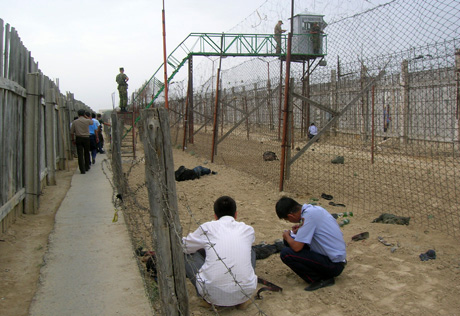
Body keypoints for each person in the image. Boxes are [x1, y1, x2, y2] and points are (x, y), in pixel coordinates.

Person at [182, 196, 257, 308]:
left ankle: (207, 300)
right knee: (251, 251)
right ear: (236, 215)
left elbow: (185, 246)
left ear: (215, 216)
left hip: (211, 293)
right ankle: (242, 301)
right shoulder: (248, 230)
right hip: (245, 292)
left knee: (187, 255)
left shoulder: (207, 227)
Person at [275, 196, 346, 291]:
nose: (289, 222)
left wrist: (286, 236)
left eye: (287, 220)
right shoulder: (313, 210)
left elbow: (297, 248)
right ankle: (320, 272)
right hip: (338, 258)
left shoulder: (308, 216)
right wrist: (299, 231)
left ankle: (319, 279)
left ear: (291, 216)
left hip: (334, 265)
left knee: (286, 254)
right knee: (290, 241)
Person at [70, 109, 93, 174]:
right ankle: (87, 166)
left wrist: (72, 140)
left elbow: (72, 132)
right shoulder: (87, 121)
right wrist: (86, 117)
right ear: (84, 114)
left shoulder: (75, 122)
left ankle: (82, 169)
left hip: (78, 138)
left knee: (80, 154)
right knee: (86, 152)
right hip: (86, 138)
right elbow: (92, 122)